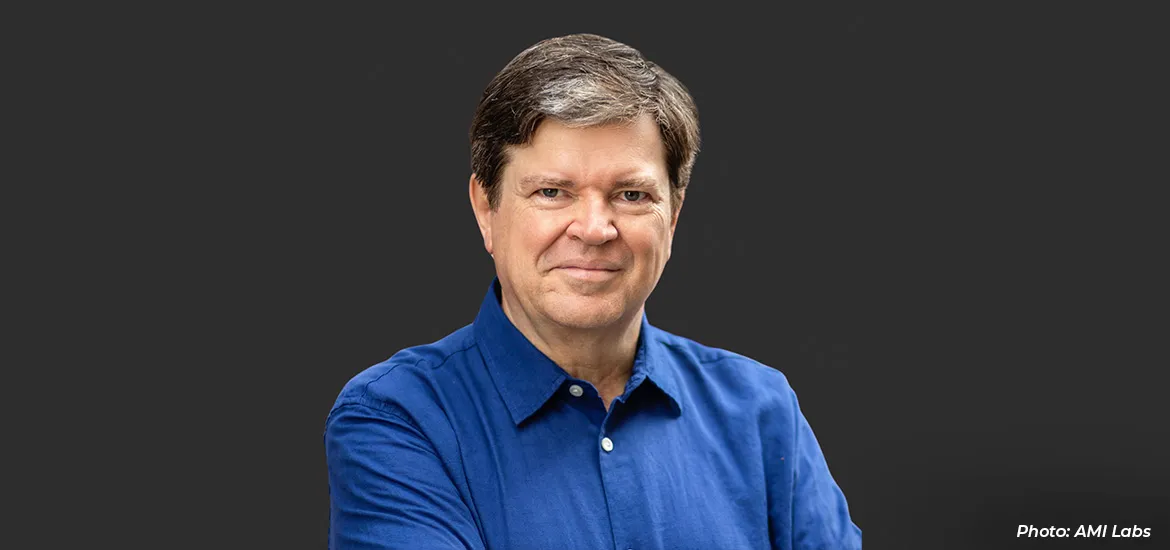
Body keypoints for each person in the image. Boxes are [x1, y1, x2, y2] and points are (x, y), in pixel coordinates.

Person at [324, 33, 862, 549]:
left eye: (630, 195)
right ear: (486, 208)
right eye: (552, 192)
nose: (594, 228)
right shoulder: (398, 418)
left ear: (673, 216)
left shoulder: (762, 411)